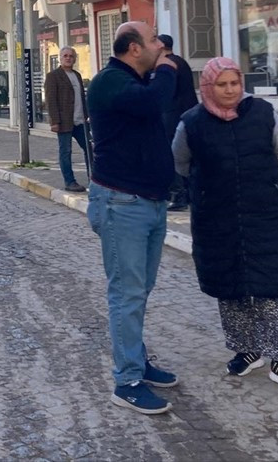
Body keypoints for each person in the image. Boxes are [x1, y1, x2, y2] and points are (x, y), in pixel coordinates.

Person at [172, 56, 278, 394]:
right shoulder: (192, 122)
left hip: (266, 214)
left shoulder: (263, 113)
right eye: (222, 84)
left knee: (273, 286)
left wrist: (268, 186)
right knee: (230, 287)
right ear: (209, 86)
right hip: (217, 217)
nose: (230, 90)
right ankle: (247, 350)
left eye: (234, 83)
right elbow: (181, 162)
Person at [85, 21, 179, 415]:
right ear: (134, 48)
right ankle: (127, 380)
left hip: (150, 202)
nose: (162, 44)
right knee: (126, 292)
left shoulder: (136, 81)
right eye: (155, 39)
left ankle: (137, 360)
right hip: (121, 204)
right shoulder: (109, 81)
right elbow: (152, 103)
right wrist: (169, 70)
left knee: (140, 289)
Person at [158, 35, 198, 212]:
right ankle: (189, 193)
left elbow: (166, 92)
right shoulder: (182, 62)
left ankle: (179, 194)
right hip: (187, 113)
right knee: (187, 154)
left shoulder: (167, 65)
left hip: (172, 115)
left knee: (172, 154)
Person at [44, 46, 89, 193]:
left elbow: (81, 97)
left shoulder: (77, 75)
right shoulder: (53, 76)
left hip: (80, 120)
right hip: (64, 121)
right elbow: (51, 100)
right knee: (66, 151)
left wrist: (86, 114)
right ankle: (70, 182)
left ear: (74, 59)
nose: (68, 58)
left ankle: (94, 178)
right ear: (60, 58)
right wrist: (54, 121)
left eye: (71, 56)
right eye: (65, 56)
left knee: (90, 148)